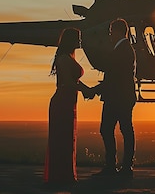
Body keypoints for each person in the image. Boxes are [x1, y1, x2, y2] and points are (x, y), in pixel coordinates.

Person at [44, 27, 94, 184]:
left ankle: (64, 175)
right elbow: (68, 83)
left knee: (67, 139)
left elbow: (74, 82)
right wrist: (86, 90)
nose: (79, 42)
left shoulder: (68, 58)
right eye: (77, 38)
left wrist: (85, 89)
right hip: (62, 103)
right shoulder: (64, 59)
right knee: (62, 140)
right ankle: (61, 177)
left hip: (68, 102)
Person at [92, 18, 137, 176]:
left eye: (111, 32)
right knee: (120, 130)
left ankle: (118, 166)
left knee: (111, 129)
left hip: (118, 97)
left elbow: (114, 77)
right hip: (120, 96)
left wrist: (94, 90)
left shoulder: (123, 50)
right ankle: (122, 166)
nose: (110, 36)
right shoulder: (124, 49)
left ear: (118, 32)